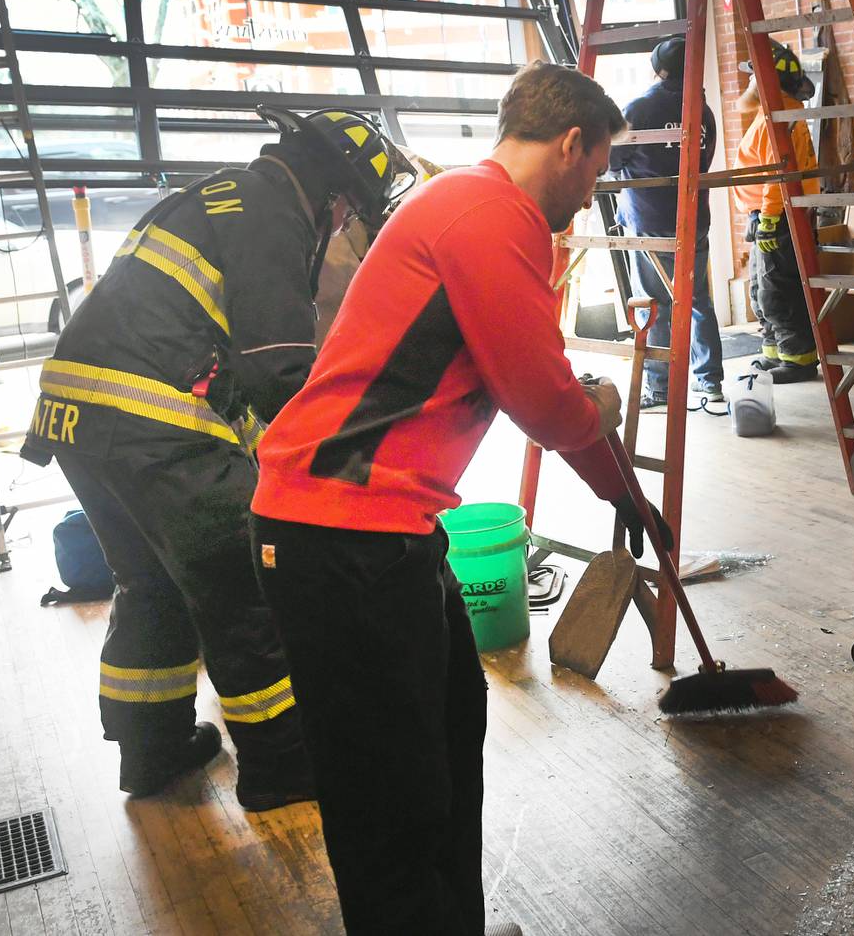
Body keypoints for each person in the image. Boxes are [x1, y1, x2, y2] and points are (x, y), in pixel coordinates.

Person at [250, 62, 669, 936]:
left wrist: (611, 476)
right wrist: (606, 441)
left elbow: (527, 382)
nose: (591, 197)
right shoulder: (489, 216)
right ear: (570, 144)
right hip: (337, 535)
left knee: (445, 741)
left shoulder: (471, 209)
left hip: (389, 532)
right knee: (390, 793)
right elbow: (545, 399)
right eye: (595, 172)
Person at [21, 104, 414, 809]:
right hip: (153, 424)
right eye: (352, 212)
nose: (346, 228)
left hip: (78, 415)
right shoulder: (273, 216)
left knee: (152, 584)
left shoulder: (217, 194)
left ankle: (152, 751)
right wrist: (350, 466)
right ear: (334, 196)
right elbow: (279, 370)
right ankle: (281, 765)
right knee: (242, 584)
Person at [612, 36, 724, 407]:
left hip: (650, 221)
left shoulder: (640, 107)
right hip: (694, 219)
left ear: (657, 68)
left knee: (653, 303)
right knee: (698, 301)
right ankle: (710, 382)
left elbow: (611, 161)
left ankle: (659, 387)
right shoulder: (702, 109)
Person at [732, 42, 821, 383]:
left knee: (777, 289)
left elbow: (777, 174)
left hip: (777, 216)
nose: (749, 82)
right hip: (765, 216)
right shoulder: (773, 110)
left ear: (766, 80)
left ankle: (797, 361)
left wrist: (768, 220)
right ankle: (774, 352)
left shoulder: (777, 117)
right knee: (761, 288)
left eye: (753, 75)